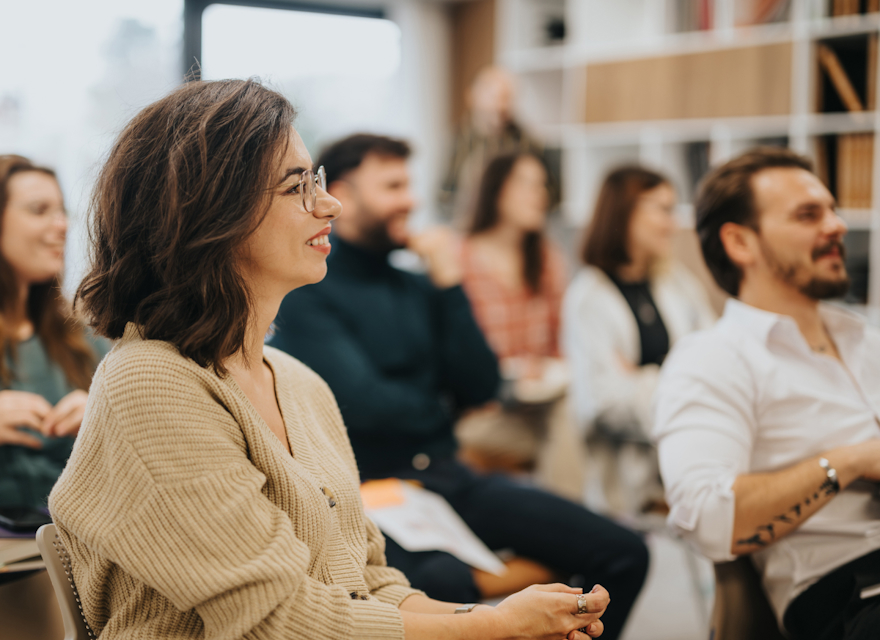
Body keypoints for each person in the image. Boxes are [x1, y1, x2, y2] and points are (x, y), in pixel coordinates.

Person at [49, 79, 610, 640]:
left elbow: (370, 585)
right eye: (298, 187)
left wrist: (503, 622)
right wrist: (496, 628)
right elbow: (278, 622)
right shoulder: (151, 383)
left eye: (315, 180)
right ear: (213, 214)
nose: (330, 204)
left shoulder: (298, 383)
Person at [271, 133, 648, 640]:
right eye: (394, 186)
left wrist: (450, 284)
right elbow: (362, 406)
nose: (412, 200)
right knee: (443, 582)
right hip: (370, 491)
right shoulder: (309, 288)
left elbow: (482, 384)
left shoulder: (419, 285)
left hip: (448, 477)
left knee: (623, 552)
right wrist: (442, 409)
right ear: (344, 192)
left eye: (410, 184)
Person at [653, 147, 880, 639]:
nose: (837, 225)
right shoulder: (713, 358)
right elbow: (706, 517)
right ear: (740, 242)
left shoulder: (863, 338)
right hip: (852, 592)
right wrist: (856, 461)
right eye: (808, 214)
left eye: (832, 209)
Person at [562, 166, 716, 514]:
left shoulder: (677, 282)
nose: (673, 224)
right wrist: (682, 386)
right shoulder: (588, 297)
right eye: (662, 210)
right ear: (625, 211)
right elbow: (602, 403)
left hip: (691, 452)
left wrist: (641, 379)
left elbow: (715, 363)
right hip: (628, 472)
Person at [455, 150, 583, 500]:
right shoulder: (458, 261)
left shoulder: (546, 258)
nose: (539, 195)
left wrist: (546, 367)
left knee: (572, 416)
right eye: (525, 184)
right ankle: (571, 527)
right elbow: (452, 357)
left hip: (541, 403)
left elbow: (563, 340)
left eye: (542, 185)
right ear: (495, 190)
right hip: (482, 412)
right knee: (568, 437)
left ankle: (566, 527)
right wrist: (509, 374)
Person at [0, 155, 106, 512]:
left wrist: (105, 413)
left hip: (71, 544)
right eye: (38, 210)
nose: (61, 225)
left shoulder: (81, 334)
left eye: (61, 211)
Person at [439, 66, 544, 226]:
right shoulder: (455, 141)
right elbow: (442, 195)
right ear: (472, 97)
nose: (501, 106)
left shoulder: (526, 143)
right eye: (495, 97)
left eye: (508, 98)